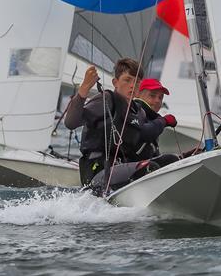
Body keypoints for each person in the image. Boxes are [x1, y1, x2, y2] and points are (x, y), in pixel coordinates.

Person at [64, 58, 179, 192]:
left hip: (123, 172)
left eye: (137, 82)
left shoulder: (139, 112)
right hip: (98, 174)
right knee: (149, 167)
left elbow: (144, 140)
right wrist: (83, 90)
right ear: (115, 82)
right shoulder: (107, 99)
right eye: (127, 80)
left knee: (171, 160)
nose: (132, 85)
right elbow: (70, 123)